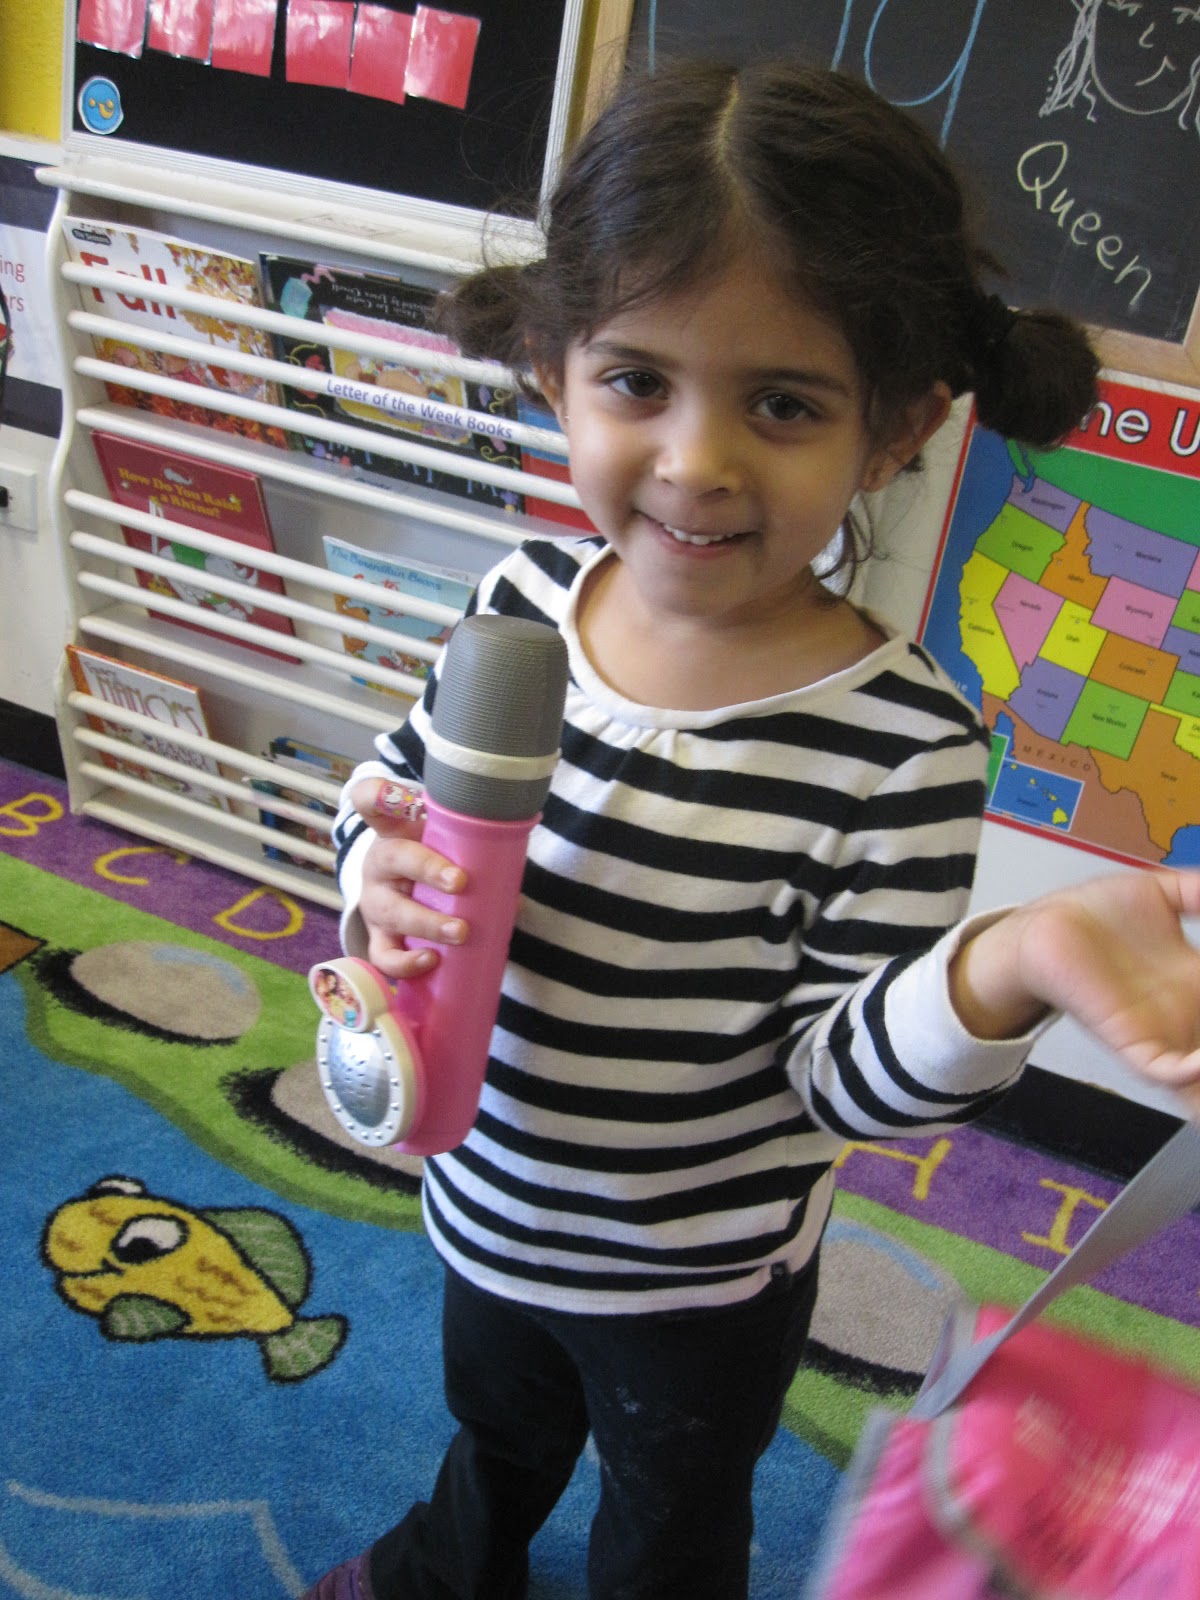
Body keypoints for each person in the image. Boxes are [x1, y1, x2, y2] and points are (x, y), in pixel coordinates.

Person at [305, 59, 1200, 1600]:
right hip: (485, 1201)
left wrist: (1010, 962)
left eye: (781, 402)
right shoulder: (515, 607)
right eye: (638, 380)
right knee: (495, 1437)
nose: (697, 463)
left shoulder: (895, 741)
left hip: (692, 1279)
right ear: (553, 364)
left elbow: (841, 1080)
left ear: (897, 427)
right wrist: (363, 859)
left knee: (668, 1521)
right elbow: (393, 790)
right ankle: (458, 1561)